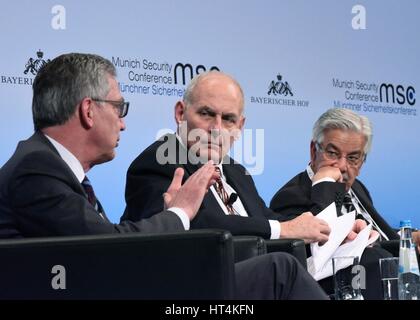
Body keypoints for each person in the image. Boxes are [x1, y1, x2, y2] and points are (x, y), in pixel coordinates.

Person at [0, 53, 328, 300]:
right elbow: (108, 252)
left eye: (228, 119)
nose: (123, 123)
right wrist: (178, 213)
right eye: (119, 108)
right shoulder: (38, 168)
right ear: (88, 110)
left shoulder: (49, 166)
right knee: (278, 271)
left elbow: (105, 241)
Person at [122, 70, 331, 243]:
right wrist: (282, 229)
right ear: (180, 113)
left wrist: (324, 229)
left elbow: (265, 218)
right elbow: (192, 225)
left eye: (229, 119)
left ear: (240, 126)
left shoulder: (236, 171)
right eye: (206, 114)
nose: (217, 129)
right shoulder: (157, 161)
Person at [269, 107, 416, 299]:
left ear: (362, 162)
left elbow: (381, 236)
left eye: (353, 158)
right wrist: (325, 185)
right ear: (314, 151)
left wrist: (409, 240)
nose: (342, 166)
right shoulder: (290, 196)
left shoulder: (358, 188)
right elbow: (317, 255)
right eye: (332, 153)